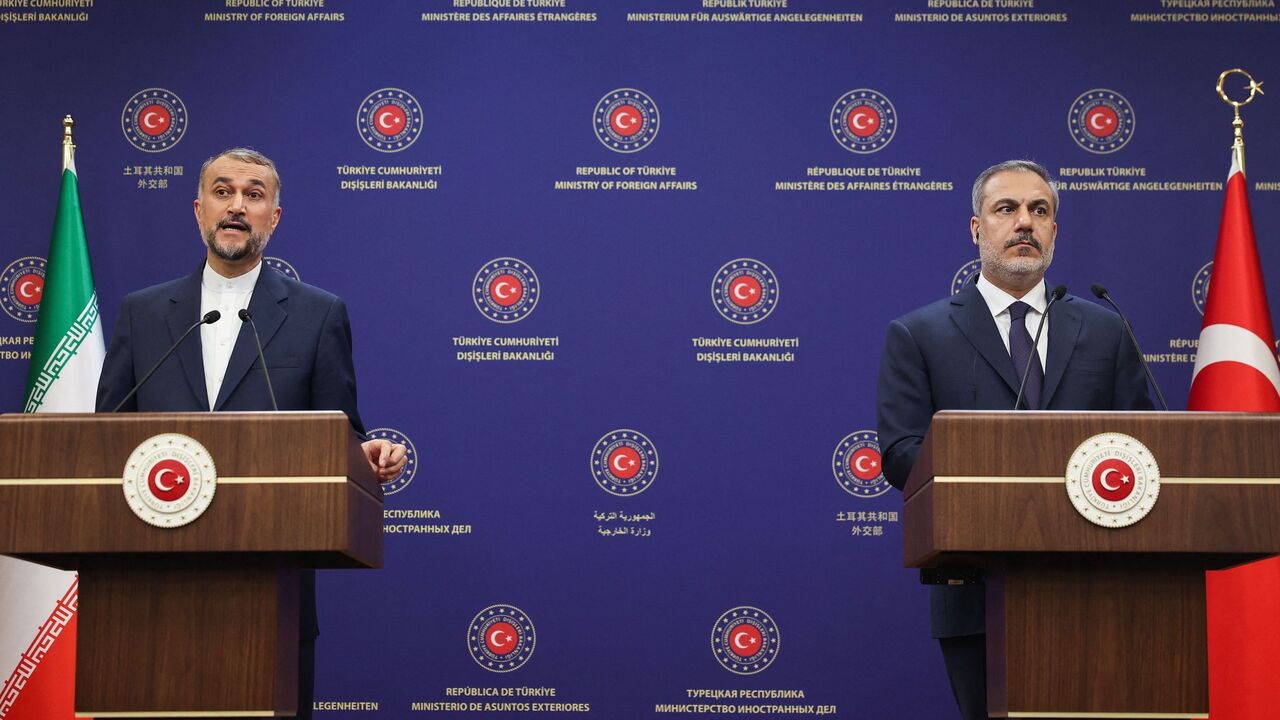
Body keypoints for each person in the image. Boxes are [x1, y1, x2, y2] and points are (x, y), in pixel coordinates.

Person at [96, 147, 407, 720]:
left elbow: (340, 434)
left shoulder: (318, 315)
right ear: (198, 211)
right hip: (147, 595)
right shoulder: (142, 314)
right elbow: (106, 442)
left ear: (274, 217)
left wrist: (363, 456)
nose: (237, 206)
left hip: (271, 596)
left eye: (254, 195)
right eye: (223, 191)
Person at [875, 159, 1153, 720]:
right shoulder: (919, 334)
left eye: (1039, 211)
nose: (1024, 222)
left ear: (1054, 231)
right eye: (1007, 209)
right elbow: (903, 455)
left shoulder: (1104, 328)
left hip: (1099, 591)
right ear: (977, 229)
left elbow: (1144, 446)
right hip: (980, 594)